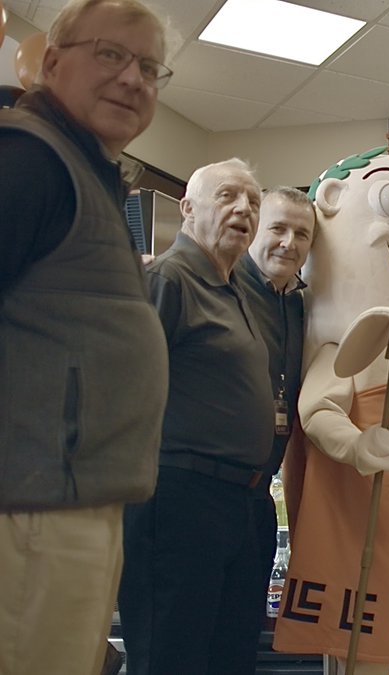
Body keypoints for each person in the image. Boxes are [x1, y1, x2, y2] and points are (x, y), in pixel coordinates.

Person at [0, 1, 170, 673]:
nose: (133, 79)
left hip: (77, 504)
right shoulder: (29, 162)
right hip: (32, 509)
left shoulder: (90, 173)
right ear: (50, 62)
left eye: (150, 67)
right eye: (110, 55)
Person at [119, 158, 275, 675]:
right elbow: (124, 389)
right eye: (227, 196)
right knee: (172, 657)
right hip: (181, 499)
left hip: (239, 502)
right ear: (187, 208)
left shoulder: (235, 289)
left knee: (229, 659)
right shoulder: (170, 278)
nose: (243, 209)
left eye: (253, 201)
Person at [231, 186, 314, 610]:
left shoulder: (299, 305)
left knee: (239, 634)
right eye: (278, 228)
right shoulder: (219, 289)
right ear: (253, 231)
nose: (289, 242)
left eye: (302, 234)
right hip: (196, 496)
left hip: (258, 494)